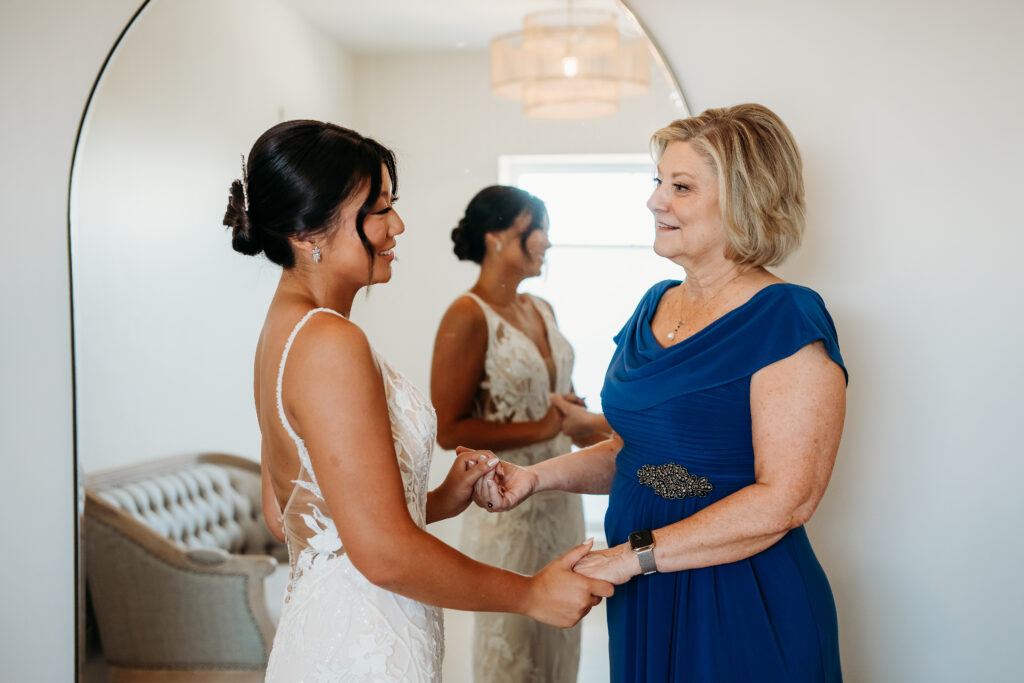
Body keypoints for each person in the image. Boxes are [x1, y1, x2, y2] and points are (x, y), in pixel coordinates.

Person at [222, 120, 613, 682]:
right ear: (312, 231)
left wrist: (435, 499)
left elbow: (293, 517)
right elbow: (381, 552)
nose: (397, 225)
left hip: (337, 633)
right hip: (363, 647)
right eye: (380, 209)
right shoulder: (330, 342)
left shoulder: (283, 332)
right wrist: (529, 594)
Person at [473, 104, 848, 682]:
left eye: (680, 186)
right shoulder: (654, 303)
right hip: (646, 592)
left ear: (745, 200)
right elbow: (640, 457)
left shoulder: (787, 318)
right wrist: (537, 478)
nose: (655, 201)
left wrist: (628, 557)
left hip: (739, 594)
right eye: (658, 182)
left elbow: (787, 500)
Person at [430, 185, 607, 683]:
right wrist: (546, 425)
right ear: (496, 238)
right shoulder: (466, 315)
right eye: (536, 229)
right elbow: (448, 428)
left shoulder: (542, 309)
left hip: (560, 498)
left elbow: (561, 399)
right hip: (505, 506)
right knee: (513, 651)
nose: (546, 242)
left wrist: (588, 424)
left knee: (561, 635)